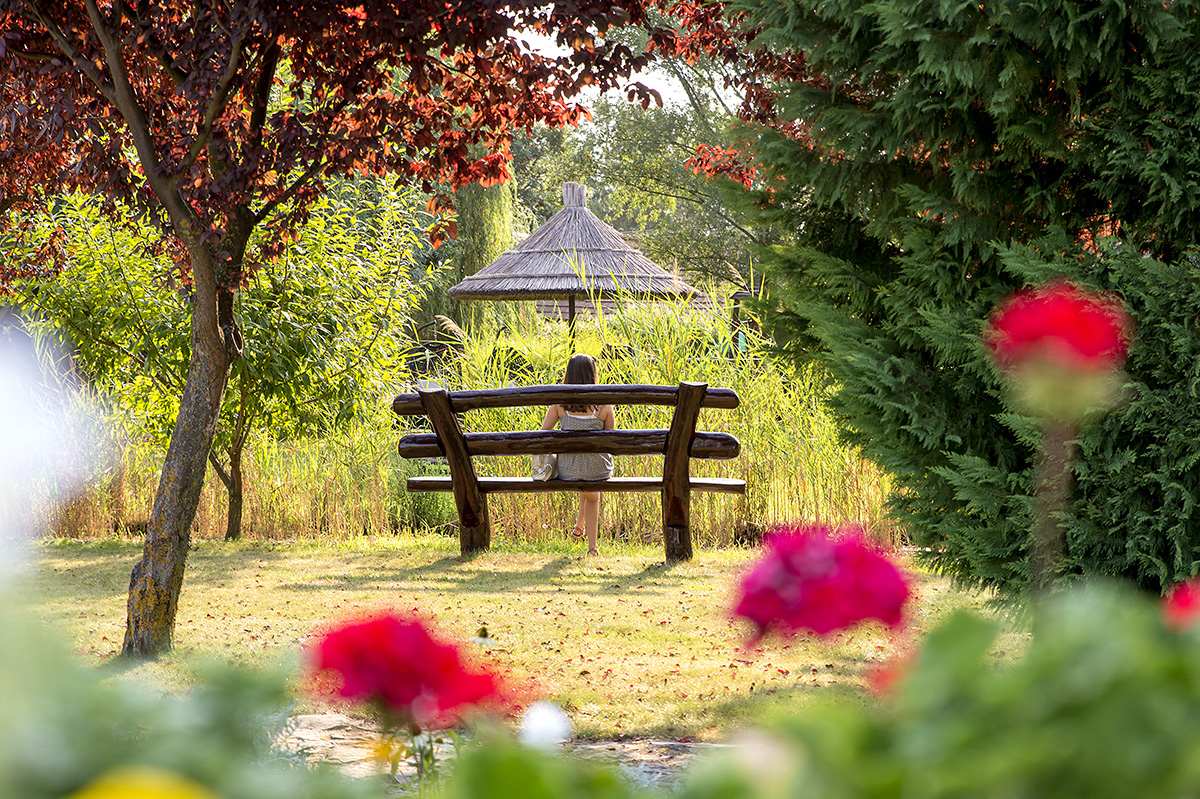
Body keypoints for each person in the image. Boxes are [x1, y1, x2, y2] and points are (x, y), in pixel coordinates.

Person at [540, 353, 615, 556]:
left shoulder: (558, 405)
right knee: (592, 493)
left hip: (569, 469)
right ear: (592, 375)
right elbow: (610, 440)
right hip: (597, 469)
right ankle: (593, 548)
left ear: (568, 376)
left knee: (584, 477)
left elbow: (543, 434)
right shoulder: (604, 406)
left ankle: (578, 528)